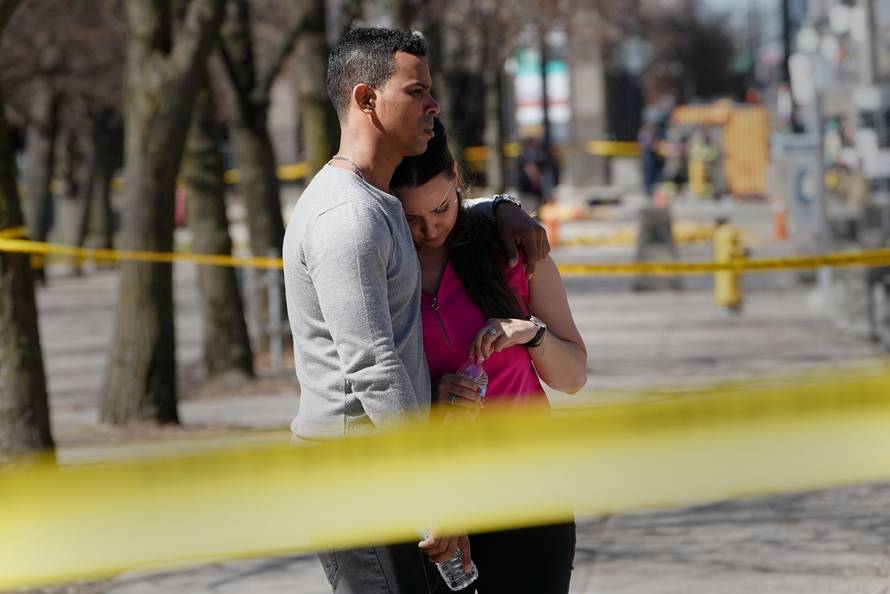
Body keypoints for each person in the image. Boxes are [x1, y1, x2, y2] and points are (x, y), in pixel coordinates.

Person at [282, 28, 550, 593]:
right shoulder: (348, 219)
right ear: (366, 100)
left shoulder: (375, 203)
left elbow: (439, 209)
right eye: (416, 90)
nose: (433, 105)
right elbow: (373, 365)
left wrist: (501, 207)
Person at [390, 118, 588, 593]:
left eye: (440, 208)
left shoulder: (512, 252)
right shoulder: (386, 270)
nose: (430, 228)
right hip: (437, 498)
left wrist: (530, 334)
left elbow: (574, 376)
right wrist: (429, 396)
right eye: (411, 218)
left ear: (456, 177)